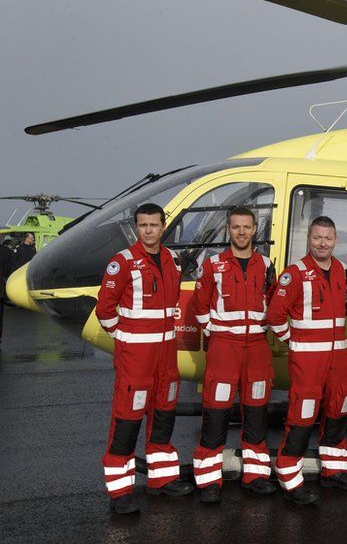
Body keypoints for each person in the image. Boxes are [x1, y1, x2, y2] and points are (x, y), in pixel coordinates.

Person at [95, 203, 193, 514]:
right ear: (136, 228)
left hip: (166, 356)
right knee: (127, 420)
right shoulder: (122, 263)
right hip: (135, 358)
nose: (148, 230)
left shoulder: (173, 260)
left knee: (163, 415)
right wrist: (124, 338)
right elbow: (105, 311)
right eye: (143, 225)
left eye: (154, 225)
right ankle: (120, 491)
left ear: (164, 227)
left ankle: (162, 479)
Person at [266, 216, 347, 505]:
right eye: (318, 237)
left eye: (328, 238)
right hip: (308, 360)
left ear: (335, 241)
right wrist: (294, 341)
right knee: (303, 413)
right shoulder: (294, 274)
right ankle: (288, 473)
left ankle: (333, 470)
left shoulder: (343, 271)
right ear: (309, 239)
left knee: (339, 405)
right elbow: (274, 316)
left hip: (338, 358)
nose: (323, 243)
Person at [189, 207, 277, 503]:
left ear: (255, 230)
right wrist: (216, 332)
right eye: (236, 227)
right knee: (216, 411)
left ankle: (256, 475)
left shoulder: (266, 265)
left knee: (256, 411)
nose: (241, 232)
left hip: (257, 347)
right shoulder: (212, 265)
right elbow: (200, 306)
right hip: (224, 347)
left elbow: (274, 302)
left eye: (247, 227)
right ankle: (208, 480)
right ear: (229, 229)